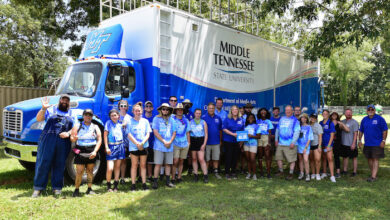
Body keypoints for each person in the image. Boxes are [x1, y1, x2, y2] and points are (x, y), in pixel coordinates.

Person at [32, 95, 78, 198]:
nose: (64, 102)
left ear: (69, 103)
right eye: (63, 100)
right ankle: (38, 188)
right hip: (48, 139)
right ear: (59, 101)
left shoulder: (72, 113)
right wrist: (43, 108)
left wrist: (68, 133)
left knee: (60, 164)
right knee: (43, 162)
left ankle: (57, 188)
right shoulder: (50, 109)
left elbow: (76, 127)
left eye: (67, 100)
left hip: (63, 141)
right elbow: (39, 118)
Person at [71, 109, 102, 197]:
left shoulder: (96, 127)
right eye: (86, 115)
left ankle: (89, 189)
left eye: (90, 115)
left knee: (90, 171)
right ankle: (76, 190)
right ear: (83, 115)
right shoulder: (77, 126)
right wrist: (74, 138)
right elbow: (72, 138)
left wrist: (95, 151)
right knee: (79, 171)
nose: (88, 117)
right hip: (80, 150)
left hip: (91, 150)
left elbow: (99, 140)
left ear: (92, 117)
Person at [358, 104, 388, 182]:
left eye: (372, 110)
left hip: (377, 143)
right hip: (367, 143)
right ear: (367, 111)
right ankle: (373, 174)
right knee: (369, 159)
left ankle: (373, 177)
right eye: (369, 110)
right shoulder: (364, 119)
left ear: (374, 110)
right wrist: (359, 140)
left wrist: (383, 141)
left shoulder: (380, 119)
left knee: (375, 159)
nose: (370, 111)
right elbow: (361, 130)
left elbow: (385, 130)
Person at [127, 103, 152, 191]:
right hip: (134, 147)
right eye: (136, 111)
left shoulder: (145, 121)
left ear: (142, 111)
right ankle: (133, 184)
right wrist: (137, 143)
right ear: (133, 111)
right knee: (134, 165)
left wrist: (142, 143)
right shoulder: (129, 121)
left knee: (143, 165)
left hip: (144, 146)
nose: (138, 112)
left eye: (139, 111)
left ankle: (144, 184)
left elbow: (148, 134)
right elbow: (129, 134)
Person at [152, 103, 177, 189]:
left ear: (169, 110)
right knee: (158, 164)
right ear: (161, 110)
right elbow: (155, 132)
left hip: (169, 146)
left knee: (168, 164)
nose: (165, 111)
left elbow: (174, 132)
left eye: (167, 109)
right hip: (159, 146)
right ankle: (155, 182)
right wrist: (164, 141)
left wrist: (169, 142)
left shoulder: (172, 120)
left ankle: (168, 181)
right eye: (163, 109)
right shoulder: (156, 119)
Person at [275, 105, 300, 180]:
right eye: (286, 110)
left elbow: (297, 132)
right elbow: (277, 130)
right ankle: (281, 171)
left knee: (291, 159)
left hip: (291, 143)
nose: (288, 112)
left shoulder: (295, 120)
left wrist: (293, 142)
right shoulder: (282, 119)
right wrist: (276, 140)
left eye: (289, 110)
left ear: (292, 111)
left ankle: (291, 173)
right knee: (278, 158)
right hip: (281, 143)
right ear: (285, 111)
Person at [104, 109, 126, 192]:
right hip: (111, 147)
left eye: (115, 115)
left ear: (118, 116)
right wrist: (106, 147)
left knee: (117, 167)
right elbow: (105, 135)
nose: (114, 117)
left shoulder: (121, 125)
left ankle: (116, 185)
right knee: (110, 168)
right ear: (110, 117)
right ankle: (108, 184)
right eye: (112, 115)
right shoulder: (108, 124)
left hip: (120, 146)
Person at [222, 105, 244, 180]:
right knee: (228, 157)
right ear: (231, 111)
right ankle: (227, 173)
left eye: (236, 109)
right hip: (228, 140)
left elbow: (243, 131)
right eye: (233, 110)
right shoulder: (227, 119)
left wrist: (242, 141)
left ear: (238, 111)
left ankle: (233, 172)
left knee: (235, 157)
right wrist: (233, 134)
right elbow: (224, 129)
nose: (235, 111)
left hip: (237, 142)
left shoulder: (241, 119)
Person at [202, 102, 223, 179]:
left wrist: (220, 140)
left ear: (214, 109)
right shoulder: (203, 117)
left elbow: (220, 130)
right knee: (207, 159)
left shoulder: (218, 118)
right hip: (207, 142)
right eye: (210, 108)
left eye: (212, 108)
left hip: (216, 141)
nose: (211, 109)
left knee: (216, 158)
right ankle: (206, 173)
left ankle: (216, 172)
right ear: (207, 109)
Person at [171, 103, 190, 183]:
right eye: (178, 109)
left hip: (184, 143)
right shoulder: (172, 120)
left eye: (181, 109)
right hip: (175, 143)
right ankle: (173, 178)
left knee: (181, 161)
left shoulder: (186, 120)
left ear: (183, 111)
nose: (180, 111)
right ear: (175, 111)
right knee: (175, 161)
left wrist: (189, 143)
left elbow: (188, 132)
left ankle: (179, 177)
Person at [189, 109, 209, 183]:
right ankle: (196, 175)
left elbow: (206, 134)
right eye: (196, 113)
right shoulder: (190, 122)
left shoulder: (203, 122)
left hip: (200, 141)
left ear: (201, 114)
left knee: (201, 159)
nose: (198, 114)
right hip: (193, 140)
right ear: (194, 114)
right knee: (194, 159)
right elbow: (188, 133)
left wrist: (204, 144)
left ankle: (205, 175)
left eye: (199, 113)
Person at [340, 108, 359, 177]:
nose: (348, 114)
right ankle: (345, 170)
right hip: (344, 143)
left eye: (349, 112)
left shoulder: (354, 122)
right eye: (347, 113)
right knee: (345, 157)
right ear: (345, 114)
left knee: (354, 157)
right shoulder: (343, 121)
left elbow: (355, 133)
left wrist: (354, 143)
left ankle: (354, 171)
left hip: (351, 143)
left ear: (352, 113)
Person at [256, 108, 274, 178]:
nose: (263, 112)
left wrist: (269, 143)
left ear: (266, 113)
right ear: (259, 113)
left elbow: (270, 133)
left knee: (267, 156)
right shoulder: (257, 121)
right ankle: (261, 173)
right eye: (261, 111)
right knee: (260, 156)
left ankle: (268, 173)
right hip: (259, 137)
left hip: (266, 137)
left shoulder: (268, 121)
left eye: (264, 111)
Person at [319, 110, 336, 183]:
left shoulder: (330, 123)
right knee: (323, 158)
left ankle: (332, 176)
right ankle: (324, 173)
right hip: (322, 143)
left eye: (326, 114)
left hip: (328, 144)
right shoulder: (320, 123)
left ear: (328, 115)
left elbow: (332, 135)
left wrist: (329, 145)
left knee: (330, 158)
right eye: (323, 114)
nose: (325, 115)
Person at [118, 100, 131, 185]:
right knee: (116, 161)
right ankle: (116, 178)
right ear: (119, 107)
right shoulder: (115, 116)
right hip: (116, 142)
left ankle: (122, 178)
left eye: (124, 105)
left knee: (123, 160)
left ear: (127, 107)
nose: (123, 107)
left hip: (125, 143)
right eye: (121, 106)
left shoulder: (129, 118)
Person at [297, 113, 313, 182]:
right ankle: (301, 173)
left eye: (304, 118)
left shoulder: (309, 127)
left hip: (306, 146)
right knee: (300, 160)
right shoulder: (298, 126)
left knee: (306, 160)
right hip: (299, 145)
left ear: (306, 119)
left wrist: (306, 147)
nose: (303, 119)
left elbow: (310, 138)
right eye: (302, 118)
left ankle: (307, 174)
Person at [243, 113, 260, 180]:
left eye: (252, 118)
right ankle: (249, 173)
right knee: (248, 159)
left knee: (252, 159)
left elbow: (259, 136)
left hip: (253, 144)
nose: (250, 119)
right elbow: (242, 136)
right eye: (249, 118)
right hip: (246, 144)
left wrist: (252, 136)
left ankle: (254, 174)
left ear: (254, 119)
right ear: (247, 119)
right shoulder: (245, 126)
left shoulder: (256, 126)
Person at [331, 112, 347, 178]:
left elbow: (347, 130)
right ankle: (325, 171)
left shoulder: (339, 123)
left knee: (336, 156)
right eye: (333, 115)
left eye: (335, 115)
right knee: (327, 156)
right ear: (331, 116)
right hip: (329, 142)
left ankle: (338, 172)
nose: (334, 116)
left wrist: (342, 124)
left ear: (337, 116)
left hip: (337, 142)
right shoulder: (329, 122)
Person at [143, 101, 156, 181]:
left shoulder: (155, 118)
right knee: (143, 161)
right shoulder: (142, 118)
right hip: (144, 143)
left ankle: (150, 176)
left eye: (150, 106)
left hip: (153, 143)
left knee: (150, 161)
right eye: (147, 106)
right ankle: (142, 176)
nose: (148, 107)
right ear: (144, 108)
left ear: (152, 108)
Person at [309, 114, 323, 181]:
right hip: (309, 145)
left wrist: (319, 146)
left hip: (316, 144)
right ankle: (313, 173)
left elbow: (320, 136)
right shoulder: (308, 125)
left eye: (314, 118)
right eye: (312, 117)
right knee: (311, 160)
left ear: (316, 118)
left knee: (317, 159)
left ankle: (317, 174)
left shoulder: (318, 126)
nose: (312, 119)